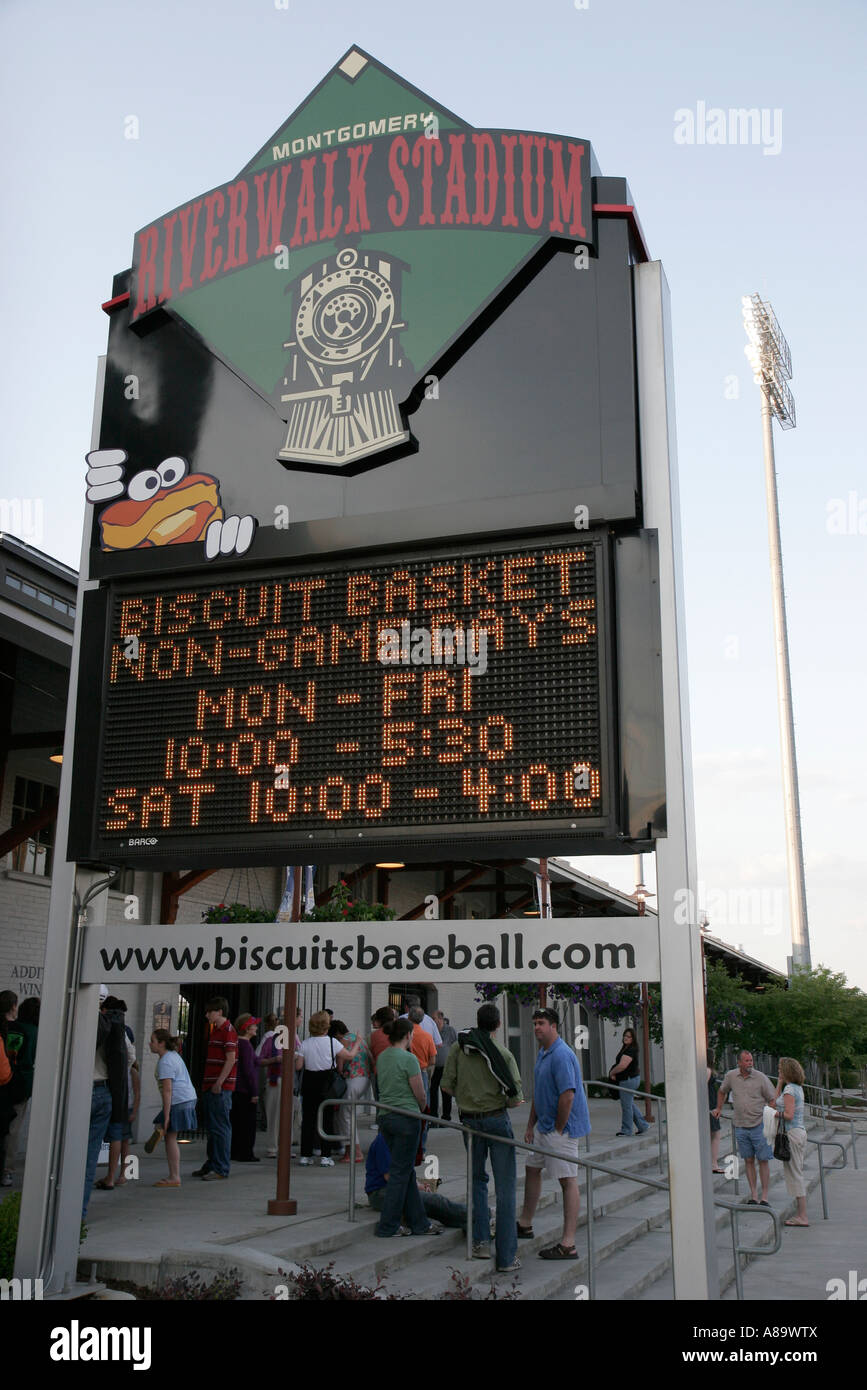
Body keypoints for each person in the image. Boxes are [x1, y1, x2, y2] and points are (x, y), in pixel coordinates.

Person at [440, 1002, 523, 1271]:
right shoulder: (504, 1054)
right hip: (497, 1119)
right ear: (498, 1025)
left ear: (477, 1021)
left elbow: (445, 1086)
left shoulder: (459, 1048)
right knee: (505, 1186)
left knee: (476, 1180)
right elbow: (515, 1100)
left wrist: (468, 1097)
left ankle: (480, 1243)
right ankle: (508, 1256)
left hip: (470, 1122)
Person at [517, 1007, 591, 1259]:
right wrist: (531, 1126)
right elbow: (539, 1093)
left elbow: (567, 1095)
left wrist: (559, 1129)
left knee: (567, 1180)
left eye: (541, 1023)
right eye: (535, 1023)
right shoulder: (543, 1053)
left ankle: (568, 1244)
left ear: (554, 1026)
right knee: (532, 1168)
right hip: (543, 1127)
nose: (536, 1027)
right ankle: (525, 1223)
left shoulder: (561, 1055)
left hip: (562, 1129)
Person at [373, 1017, 433, 1237]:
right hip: (406, 1117)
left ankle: (420, 1223)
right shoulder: (409, 1059)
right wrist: (422, 1107)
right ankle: (388, 1225)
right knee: (400, 1173)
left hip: (386, 1117)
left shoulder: (382, 1057)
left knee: (405, 1171)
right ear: (408, 1035)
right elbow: (420, 1092)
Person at [83, 993, 132, 1219]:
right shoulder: (117, 1026)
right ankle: (118, 1175)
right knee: (95, 1152)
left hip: (83, 1089)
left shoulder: (83, 1021)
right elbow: (129, 1058)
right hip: (106, 1091)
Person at [711, 1049, 776, 1205]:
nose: (749, 1064)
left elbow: (772, 1099)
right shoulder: (731, 1076)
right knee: (748, 1160)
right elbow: (722, 1091)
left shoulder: (760, 1078)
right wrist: (719, 1108)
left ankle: (764, 1196)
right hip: (741, 1125)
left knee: (763, 1160)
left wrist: (769, 1117)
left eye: (751, 1061)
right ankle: (754, 1195)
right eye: (746, 1061)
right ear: (739, 1062)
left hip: (759, 1125)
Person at [365, 1130, 466, 1230]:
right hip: (380, 1192)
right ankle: (474, 1215)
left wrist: (419, 1185)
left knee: (433, 1202)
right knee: (434, 1200)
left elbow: (406, 1171)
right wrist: (415, 1188)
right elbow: (390, 1177)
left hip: (395, 1188)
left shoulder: (401, 1138)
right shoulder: (383, 1140)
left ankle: (467, 1220)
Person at [295, 1010, 359, 1166]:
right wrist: (357, 1042)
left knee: (308, 1119)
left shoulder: (305, 1043)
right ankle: (326, 1156)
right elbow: (349, 1056)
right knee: (327, 1119)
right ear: (326, 1026)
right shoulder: (333, 1042)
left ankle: (305, 1154)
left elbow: (298, 1066)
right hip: (327, 1081)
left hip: (310, 1081)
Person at [95, 997, 139, 1190]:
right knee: (120, 1137)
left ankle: (116, 1175)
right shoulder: (123, 1030)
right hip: (121, 1091)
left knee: (94, 1135)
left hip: (101, 1085)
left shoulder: (99, 1026)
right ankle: (119, 1175)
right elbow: (131, 1057)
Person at [193, 996, 238, 1181]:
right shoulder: (217, 1030)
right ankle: (213, 1163)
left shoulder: (227, 1031)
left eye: (210, 1011)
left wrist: (219, 1082)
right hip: (212, 1085)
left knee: (219, 1127)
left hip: (219, 1086)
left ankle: (220, 1167)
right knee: (213, 1127)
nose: (206, 1015)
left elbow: (231, 1059)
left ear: (219, 1011)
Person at [148, 1029, 198, 1187]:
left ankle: (174, 1177)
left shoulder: (166, 1062)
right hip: (186, 1098)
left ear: (161, 1043)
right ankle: (160, 1129)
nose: (150, 1044)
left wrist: (167, 1114)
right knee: (164, 1130)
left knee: (170, 1137)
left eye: (153, 1041)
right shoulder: (173, 1056)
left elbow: (167, 1090)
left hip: (179, 1101)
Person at [2, 996, 39, 1182]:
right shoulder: (34, 1032)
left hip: (5, 1078)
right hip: (21, 1083)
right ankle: (6, 1169)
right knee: (14, 1127)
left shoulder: (10, 1027)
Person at [331, 1019, 372, 1163]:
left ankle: (354, 1152)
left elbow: (340, 1066)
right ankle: (351, 1151)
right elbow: (370, 1057)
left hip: (353, 1079)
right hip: (365, 1078)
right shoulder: (358, 1038)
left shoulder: (343, 1041)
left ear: (336, 1034)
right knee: (349, 1114)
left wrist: (339, 1072)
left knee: (345, 1115)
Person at [775, 1057, 809, 1226]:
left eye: (780, 1069)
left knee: (796, 1174)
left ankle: (802, 1216)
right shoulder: (796, 1088)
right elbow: (774, 1102)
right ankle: (801, 1214)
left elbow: (787, 1114)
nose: (778, 1071)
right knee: (797, 1171)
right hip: (800, 1132)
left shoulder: (790, 1090)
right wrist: (779, 1083)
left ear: (787, 1071)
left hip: (792, 1133)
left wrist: (774, 1114)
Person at [230, 1014, 261, 1162]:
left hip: (237, 1088)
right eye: (254, 1025)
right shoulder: (246, 1046)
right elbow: (249, 1070)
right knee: (247, 1124)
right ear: (247, 1028)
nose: (256, 1028)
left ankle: (235, 1151)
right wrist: (254, 1092)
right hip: (245, 1090)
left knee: (236, 1122)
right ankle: (245, 1152)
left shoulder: (238, 1043)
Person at [608, 1026, 649, 1136]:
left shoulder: (631, 1050)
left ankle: (626, 1130)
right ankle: (643, 1126)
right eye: (625, 1036)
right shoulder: (626, 1048)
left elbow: (622, 1066)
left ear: (633, 1039)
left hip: (628, 1080)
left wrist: (612, 1073)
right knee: (629, 1104)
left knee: (626, 1106)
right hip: (629, 1079)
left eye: (628, 1037)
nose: (626, 1038)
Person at [256, 1013, 282, 1157]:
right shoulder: (270, 1039)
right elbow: (258, 1059)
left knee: (282, 1114)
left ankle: (281, 1145)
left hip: (282, 1079)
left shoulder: (289, 1039)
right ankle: (274, 1146)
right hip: (275, 1078)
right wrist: (274, 1059)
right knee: (274, 1114)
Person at [430, 1011, 457, 1121]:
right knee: (433, 1090)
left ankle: (446, 1117)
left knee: (445, 1090)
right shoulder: (432, 1030)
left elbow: (456, 1045)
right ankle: (433, 1115)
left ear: (440, 1019)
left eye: (434, 1018)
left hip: (446, 1066)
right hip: (435, 1066)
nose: (432, 1020)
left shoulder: (450, 1030)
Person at [407, 1006, 436, 1102]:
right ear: (422, 1019)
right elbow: (432, 1060)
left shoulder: (403, 1035)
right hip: (421, 1072)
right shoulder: (427, 1037)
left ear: (409, 1017)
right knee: (424, 1101)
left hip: (405, 1073)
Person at [707, 1048, 724, 1173]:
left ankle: (712, 1163)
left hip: (711, 1104)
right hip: (710, 1105)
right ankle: (713, 1163)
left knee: (713, 1134)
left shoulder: (706, 1070)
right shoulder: (707, 1070)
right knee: (715, 1134)